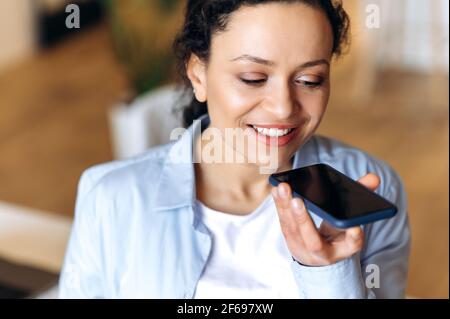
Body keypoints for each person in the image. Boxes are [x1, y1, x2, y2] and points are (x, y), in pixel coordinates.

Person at [59, 0, 410, 298]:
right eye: (253, 78)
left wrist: (328, 273)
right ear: (198, 75)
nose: (283, 107)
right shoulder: (109, 198)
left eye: (309, 80)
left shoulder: (369, 188)